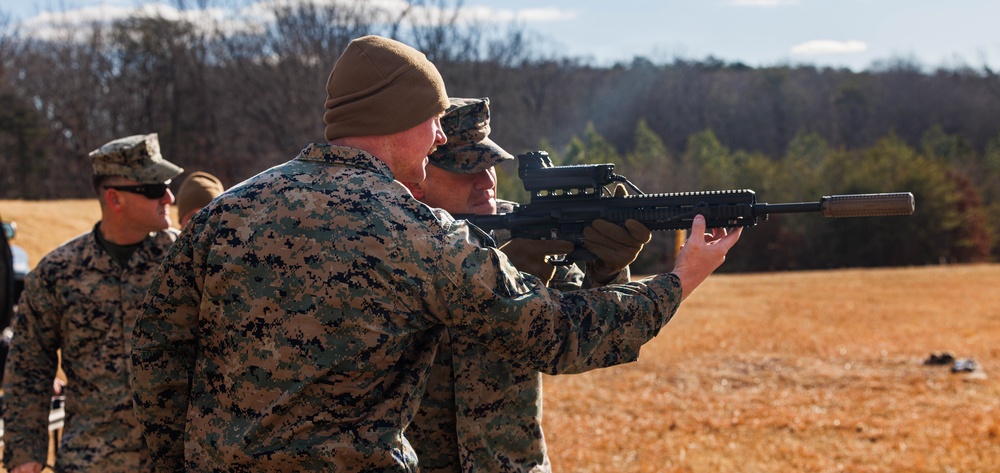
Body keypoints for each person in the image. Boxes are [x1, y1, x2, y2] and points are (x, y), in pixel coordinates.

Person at [130, 35, 741, 472]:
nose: (442, 136)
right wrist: (681, 277)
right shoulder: (415, 232)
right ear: (397, 119)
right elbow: (558, 333)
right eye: (433, 121)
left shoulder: (221, 215)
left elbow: (157, 353)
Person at [402, 97, 652, 472]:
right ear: (416, 178)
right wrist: (503, 279)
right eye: (466, 169)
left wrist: (608, 270)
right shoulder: (393, 240)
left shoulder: (529, 228)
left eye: (489, 165)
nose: (486, 181)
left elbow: (581, 339)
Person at [3, 133, 183, 473]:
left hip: (174, 462)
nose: (169, 197)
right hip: (90, 460)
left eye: (168, 185)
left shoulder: (185, 262)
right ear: (115, 199)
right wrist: (25, 453)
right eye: (154, 189)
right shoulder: (58, 272)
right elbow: (29, 364)